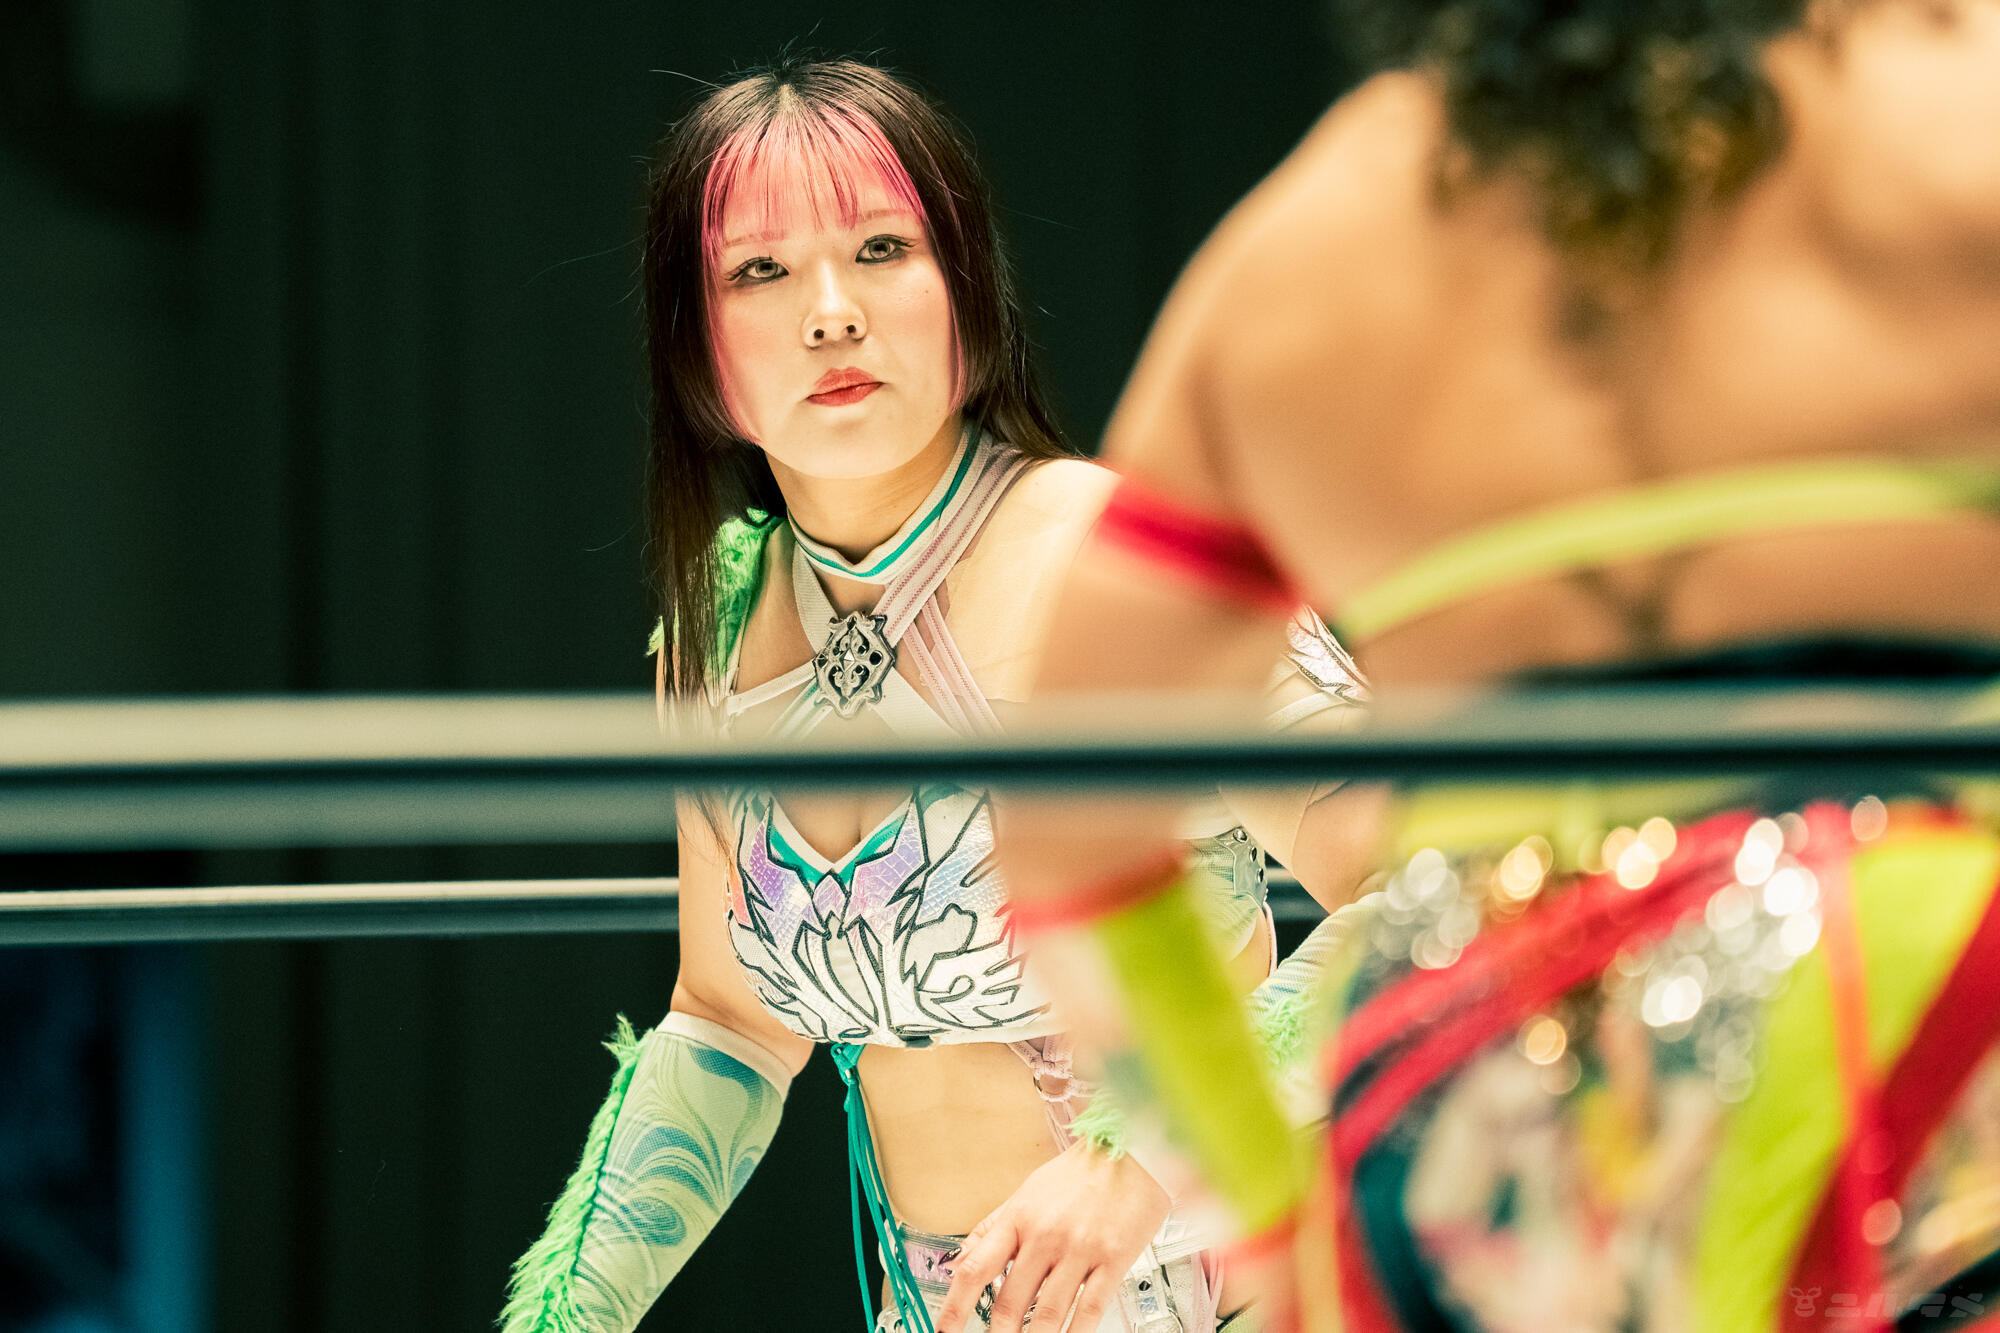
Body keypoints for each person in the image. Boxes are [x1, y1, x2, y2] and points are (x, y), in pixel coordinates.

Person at [990, 2, 2000, 1328]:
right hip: (1917, 1013)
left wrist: (1272, 1221)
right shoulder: (1954, 110)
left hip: (1464, 1093)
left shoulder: (1314, 245)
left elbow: (1064, 823)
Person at [498, 57, 1364, 1333]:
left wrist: (1136, 1162)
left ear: (965, 284)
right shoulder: (719, 624)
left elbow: (1436, 879)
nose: (829, 313)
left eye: (880, 248)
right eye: (759, 270)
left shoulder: (1119, 560)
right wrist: (562, 1314)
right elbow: (728, 1022)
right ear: (694, 342)